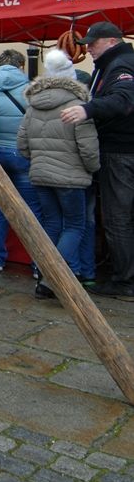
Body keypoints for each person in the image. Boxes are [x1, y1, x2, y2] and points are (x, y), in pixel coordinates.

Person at [18, 48, 100, 299]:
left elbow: (22, 145)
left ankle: (41, 271)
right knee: (75, 226)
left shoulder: (33, 106)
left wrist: (40, 160)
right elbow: (89, 148)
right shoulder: (78, 106)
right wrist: (93, 168)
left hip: (40, 174)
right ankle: (50, 279)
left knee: (52, 224)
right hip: (71, 177)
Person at [61, 22, 134, 300]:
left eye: (93, 43)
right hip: (122, 150)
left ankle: (124, 281)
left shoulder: (121, 66)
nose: (88, 48)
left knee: (118, 218)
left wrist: (87, 109)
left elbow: (124, 100)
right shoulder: (112, 64)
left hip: (120, 152)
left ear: (112, 41)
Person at [0, 49, 43, 272]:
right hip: (23, 154)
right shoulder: (33, 91)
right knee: (32, 210)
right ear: (21, 66)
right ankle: (38, 263)